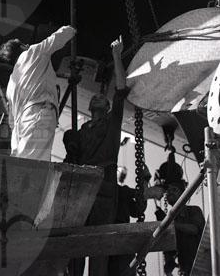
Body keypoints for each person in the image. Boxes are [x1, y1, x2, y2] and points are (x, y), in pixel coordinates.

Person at [64, 35, 130, 276]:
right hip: (83, 187)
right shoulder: (81, 131)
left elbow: (121, 90)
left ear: (108, 107)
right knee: (76, 245)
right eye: (96, 97)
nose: (98, 95)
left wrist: (116, 55)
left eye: (103, 97)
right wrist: (69, 141)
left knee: (99, 246)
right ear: (90, 107)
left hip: (103, 186)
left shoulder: (112, 124)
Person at [0, 25, 76, 161]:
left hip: (20, 126)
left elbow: (11, 120)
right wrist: (71, 29)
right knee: (31, 166)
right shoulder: (33, 52)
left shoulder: (11, 82)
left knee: (24, 166)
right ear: (23, 47)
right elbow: (56, 39)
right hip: (39, 115)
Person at [155, 180, 205, 276]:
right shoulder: (172, 220)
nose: (169, 192)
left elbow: (194, 229)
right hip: (186, 270)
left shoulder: (194, 210)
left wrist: (168, 224)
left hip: (202, 265)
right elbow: (169, 250)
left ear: (183, 195)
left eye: (174, 189)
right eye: (168, 191)